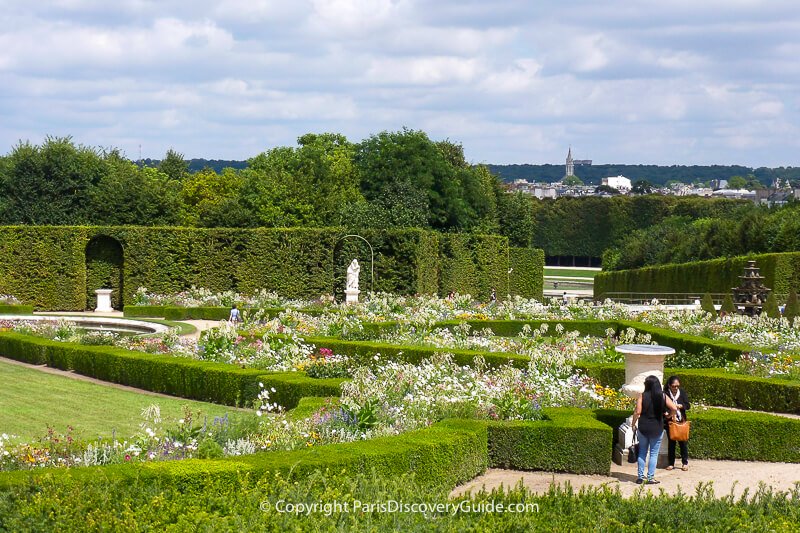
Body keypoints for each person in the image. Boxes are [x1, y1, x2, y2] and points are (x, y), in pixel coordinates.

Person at [631, 375, 677, 484]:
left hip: (643, 427)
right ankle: (651, 478)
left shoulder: (642, 396)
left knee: (642, 452)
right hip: (657, 427)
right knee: (653, 453)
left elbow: (637, 412)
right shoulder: (663, 396)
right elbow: (674, 408)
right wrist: (669, 415)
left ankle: (640, 477)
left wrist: (633, 424)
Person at [663, 376, 690, 471]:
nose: (676, 388)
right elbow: (662, 406)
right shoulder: (665, 393)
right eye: (674, 386)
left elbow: (688, 405)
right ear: (669, 385)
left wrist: (681, 406)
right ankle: (671, 463)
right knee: (671, 443)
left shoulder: (681, 392)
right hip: (670, 421)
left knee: (683, 443)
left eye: (677, 386)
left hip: (681, 420)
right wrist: (666, 412)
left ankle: (685, 462)